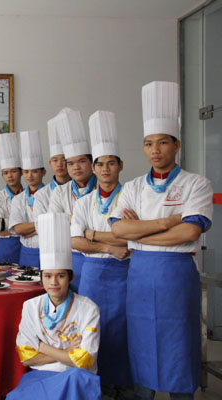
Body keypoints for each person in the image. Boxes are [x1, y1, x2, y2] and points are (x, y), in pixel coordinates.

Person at [110, 81, 213, 399]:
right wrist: (167, 223)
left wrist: (140, 232)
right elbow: (118, 231)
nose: (155, 150)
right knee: (141, 338)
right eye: (148, 144)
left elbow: (191, 232)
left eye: (163, 142)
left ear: (176, 145)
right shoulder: (132, 187)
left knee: (179, 340)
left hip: (177, 274)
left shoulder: (196, 184)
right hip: (139, 276)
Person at [6, 212, 101, 400]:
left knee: (75, 380)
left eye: (61, 276)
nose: (54, 283)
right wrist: (66, 352)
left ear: (71, 277)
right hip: (41, 375)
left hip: (76, 376)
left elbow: (84, 360)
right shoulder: (31, 306)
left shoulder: (89, 309)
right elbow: (26, 356)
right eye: (48, 276)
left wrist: (41, 346)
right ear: (41, 278)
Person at [71, 110, 132, 397]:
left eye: (111, 163)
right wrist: (109, 245)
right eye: (100, 164)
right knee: (93, 326)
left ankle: (125, 383)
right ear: (94, 169)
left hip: (126, 272)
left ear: (120, 166)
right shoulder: (84, 203)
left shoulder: (133, 196)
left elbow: (133, 237)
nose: (105, 169)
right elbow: (75, 241)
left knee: (124, 327)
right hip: (93, 273)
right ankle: (97, 383)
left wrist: (92, 234)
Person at [48, 108, 97, 291]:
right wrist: (89, 228)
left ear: (92, 163)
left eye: (81, 161)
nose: (76, 167)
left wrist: (71, 221)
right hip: (70, 259)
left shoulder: (105, 189)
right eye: (70, 163)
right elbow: (55, 225)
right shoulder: (60, 192)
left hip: (101, 258)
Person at [10, 130, 46, 268]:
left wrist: (30, 227)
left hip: (47, 251)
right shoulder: (18, 199)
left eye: (35, 171)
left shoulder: (52, 194)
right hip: (26, 253)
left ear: (43, 172)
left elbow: (55, 226)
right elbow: (18, 229)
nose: (30, 176)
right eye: (26, 172)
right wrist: (42, 225)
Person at [0, 132, 23, 264]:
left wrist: (9, 227)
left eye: (14, 171)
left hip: (25, 247)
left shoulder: (30, 195)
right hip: (4, 249)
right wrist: (24, 227)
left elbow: (39, 226)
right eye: (6, 172)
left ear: (21, 172)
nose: (10, 176)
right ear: (2, 175)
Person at [33, 111, 71, 217]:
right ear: (50, 164)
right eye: (55, 160)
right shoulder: (41, 194)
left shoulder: (79, 189)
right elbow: (39, 223)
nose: (59, 164)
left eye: (64, 160)